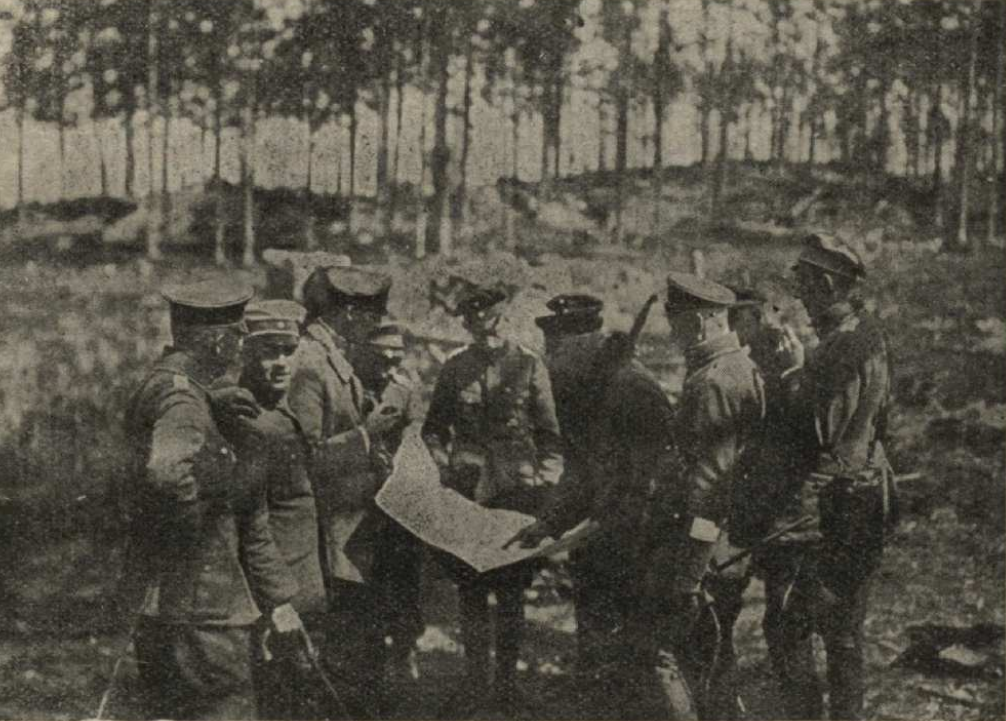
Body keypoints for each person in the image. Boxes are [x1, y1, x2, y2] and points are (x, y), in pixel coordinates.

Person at [122, 279, 301, 720]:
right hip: (204, 610)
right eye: (237, 336)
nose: (240, 347)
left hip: (173, 602)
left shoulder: (176, 388)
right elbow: (167, 475)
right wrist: (191, 534)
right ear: (219, 340)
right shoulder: (183, 400)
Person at [507, 293, 675, 717]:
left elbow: (651, 485)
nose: (549, 360)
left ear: (585, 343)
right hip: (599, 542)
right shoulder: (586, 388)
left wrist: (599, 524)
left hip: (638, 546)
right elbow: (580, 472)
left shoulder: (633, 390)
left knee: (637, 662)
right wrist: (549, 523)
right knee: (596, 650)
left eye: (556, 349)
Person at [759, 233, 897, 720]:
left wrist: (793, 370)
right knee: (843, 634)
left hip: (825, 513)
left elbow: (821, 429)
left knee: (788, 626)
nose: (798, 296)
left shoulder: (843, 348)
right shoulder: (863, 335)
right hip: (857, 502)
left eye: (804, 284)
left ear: (824, 283)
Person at [421, 283, 564, 715]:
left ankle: (506, 685)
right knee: (470, 589)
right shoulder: (454, 368)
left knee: (512, 589)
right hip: (466, 494)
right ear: (467, 326)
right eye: (475, 326)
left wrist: (546, 481)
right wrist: (445, 468)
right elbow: (433, 428)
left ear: (502, 322)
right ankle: (473, 682)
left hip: (517, 493)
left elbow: (551, 436)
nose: (484, 334)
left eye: (490, 325)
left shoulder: (529, 365)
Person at [636, 271, 765, 720]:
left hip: (703, 549)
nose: (673, 333)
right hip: (727, 547)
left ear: (706, 321)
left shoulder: (714, 381)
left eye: (680, 323)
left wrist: (689, 572)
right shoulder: (737, 367)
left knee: (664, 656)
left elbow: (711, 486)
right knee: (715, 655)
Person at [288, 265, 403, 718]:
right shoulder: (310, 364)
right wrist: (367, 437)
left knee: (358, 646)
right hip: (328, 533)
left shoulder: (334, 357)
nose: (375, 324)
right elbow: (303, 458)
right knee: (338, 653)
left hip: (352, 528)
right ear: (349, 313)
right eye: (371, 315)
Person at [221, 299, 329, 720]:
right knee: (280, 703)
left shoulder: (279, 409)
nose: (282, 363)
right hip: (277, 592)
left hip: (301, 584)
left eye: (289, 350)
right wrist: (276, 603)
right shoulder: (250, 421)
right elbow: (251, 521)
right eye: (269, 352)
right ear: (246, 353)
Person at [354, 323, 425, 685]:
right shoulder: (350, 386)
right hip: (359, 501)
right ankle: (370, 656)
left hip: (397, 499)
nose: (389, 361)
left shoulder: (405, 387)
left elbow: (418, 433)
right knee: (365, 582)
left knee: (405, 576)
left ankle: (404, 647)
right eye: (381, 354)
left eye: (395, 354)